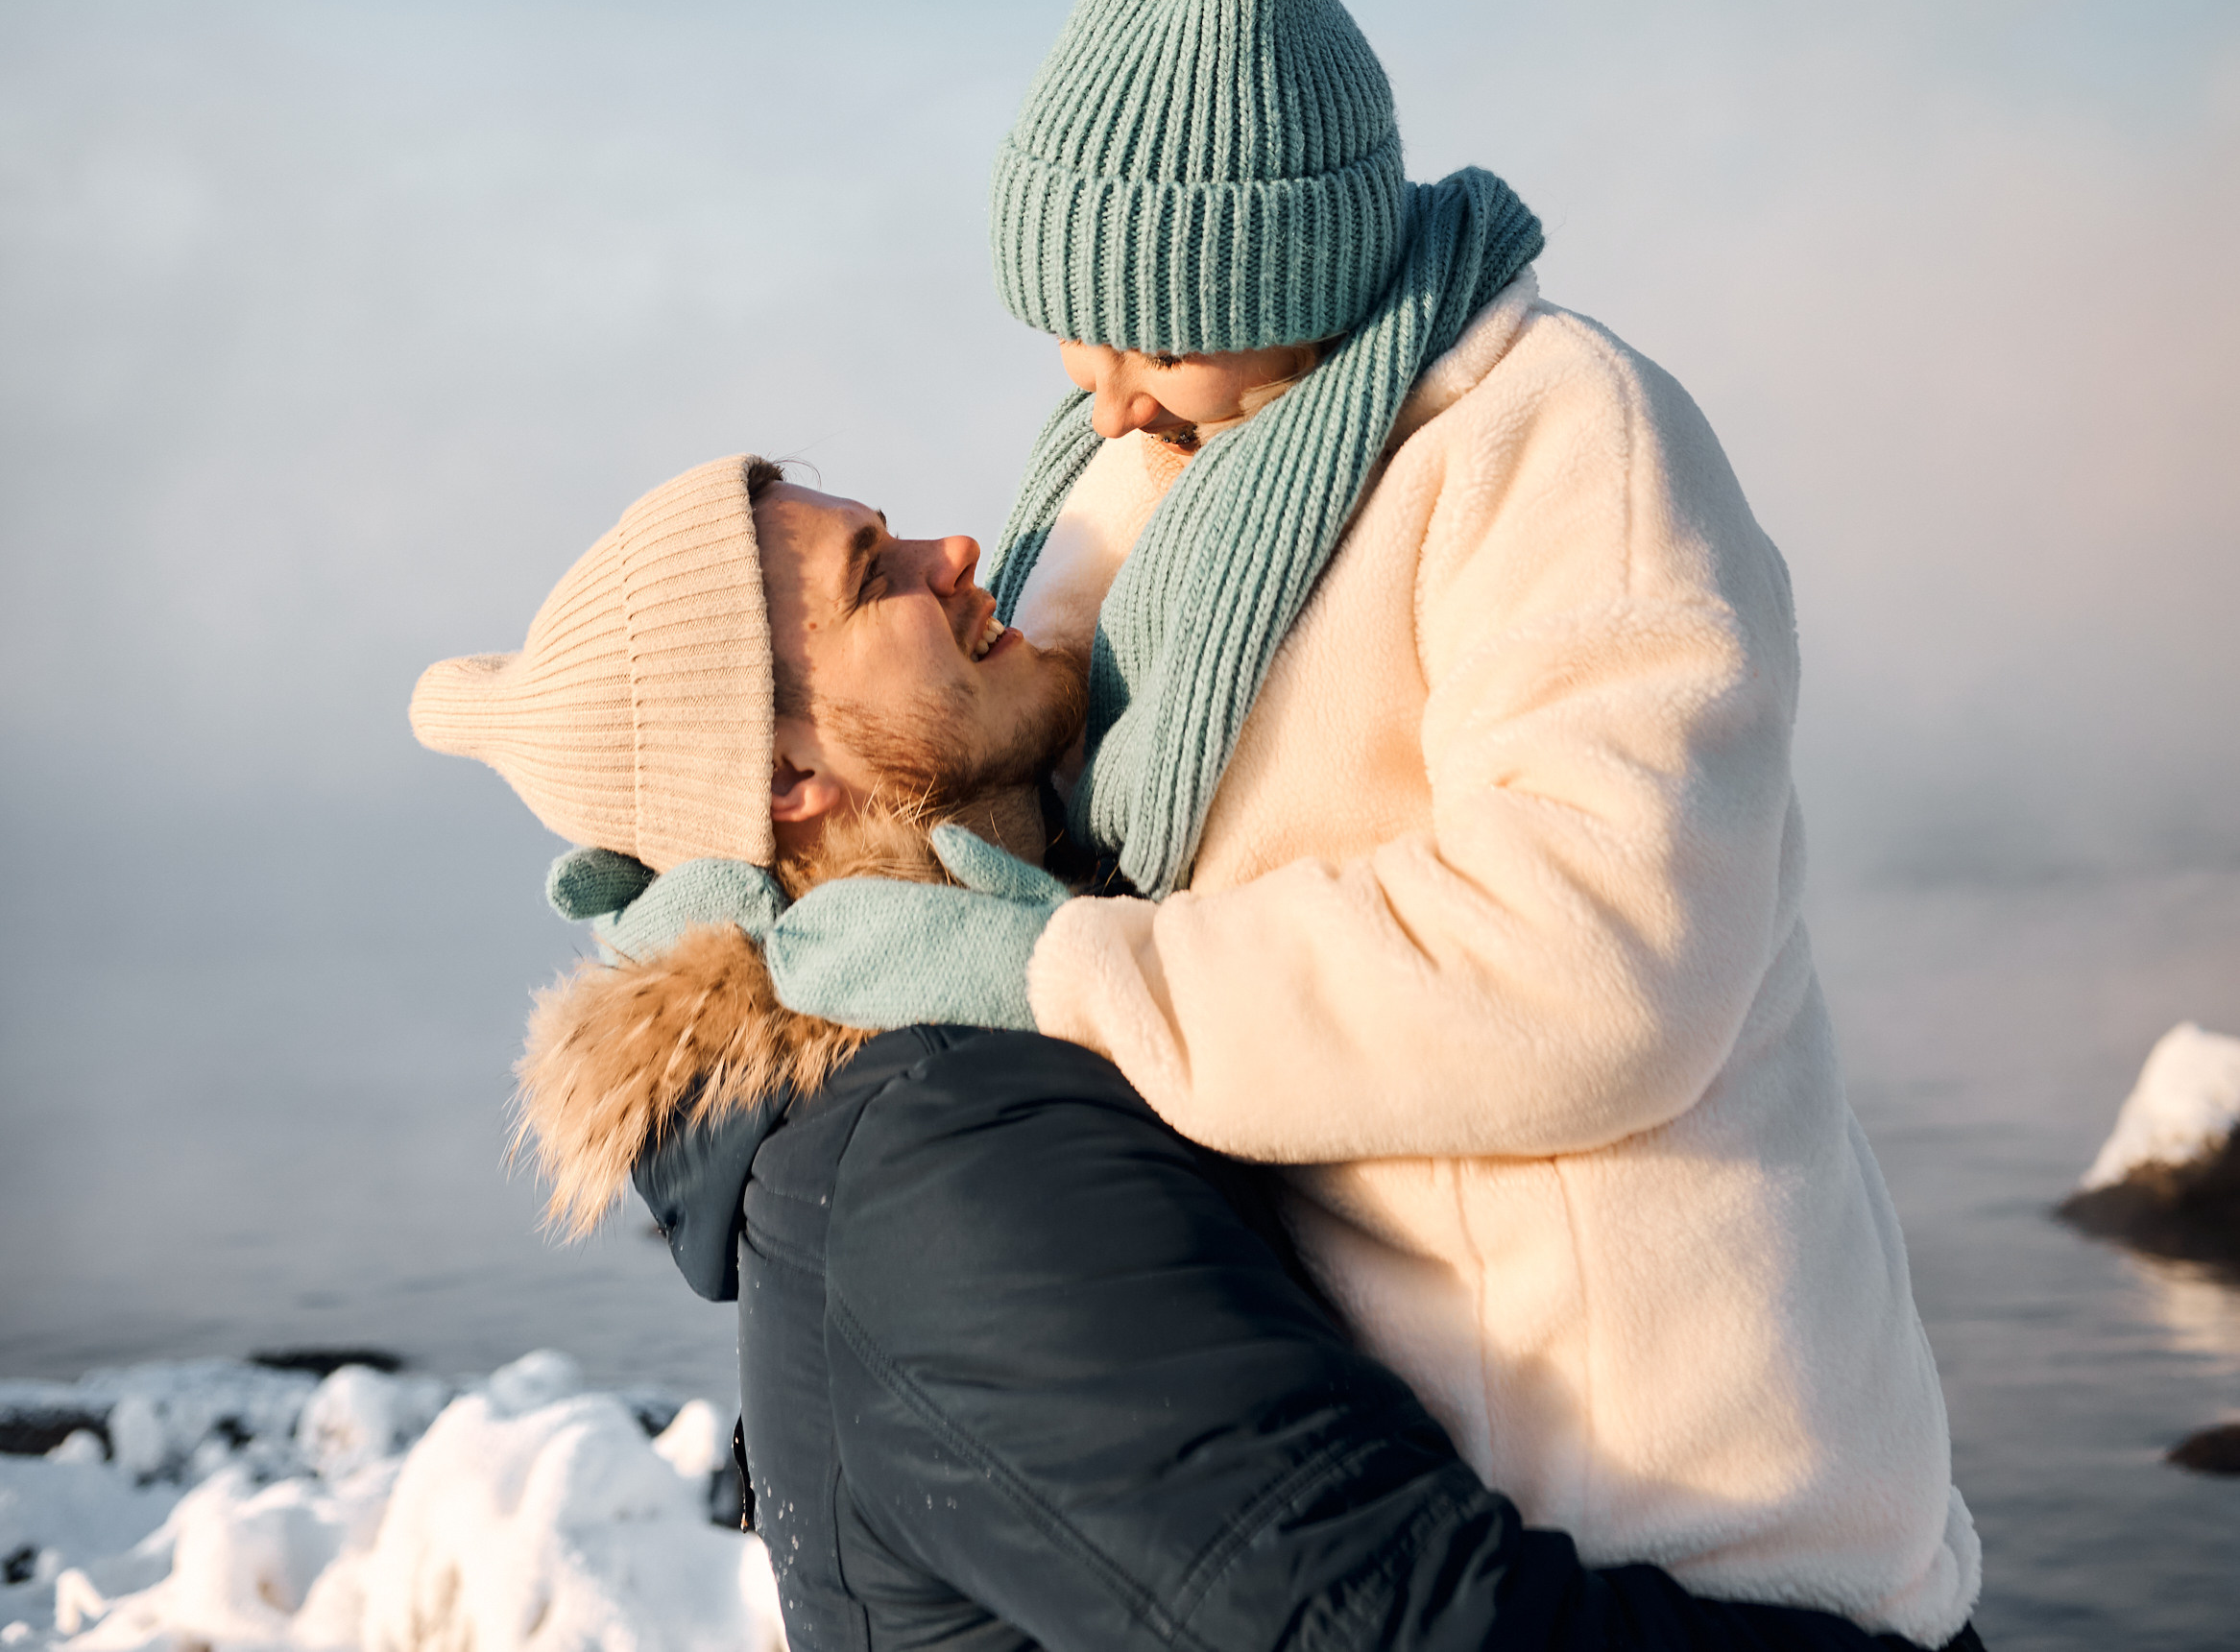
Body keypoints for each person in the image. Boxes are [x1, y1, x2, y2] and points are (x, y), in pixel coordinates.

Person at [737, 0, 1981, 1645]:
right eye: (1066, 326)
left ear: (1289, 263)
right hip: (1417, 1502)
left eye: (1147, 323)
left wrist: (1057, 972)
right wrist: (721, 878)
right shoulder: (1128, 475)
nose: (1096, 386)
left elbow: (1597, 965)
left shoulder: (1553, 447)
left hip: (1688, 1529)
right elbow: (957, 767)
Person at [411, 457, 1978, 1652]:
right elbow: (1384, 1617)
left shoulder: (943, 1083)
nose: (957, 553)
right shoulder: (943, 1154)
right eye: (870, 572)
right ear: (785, 776)